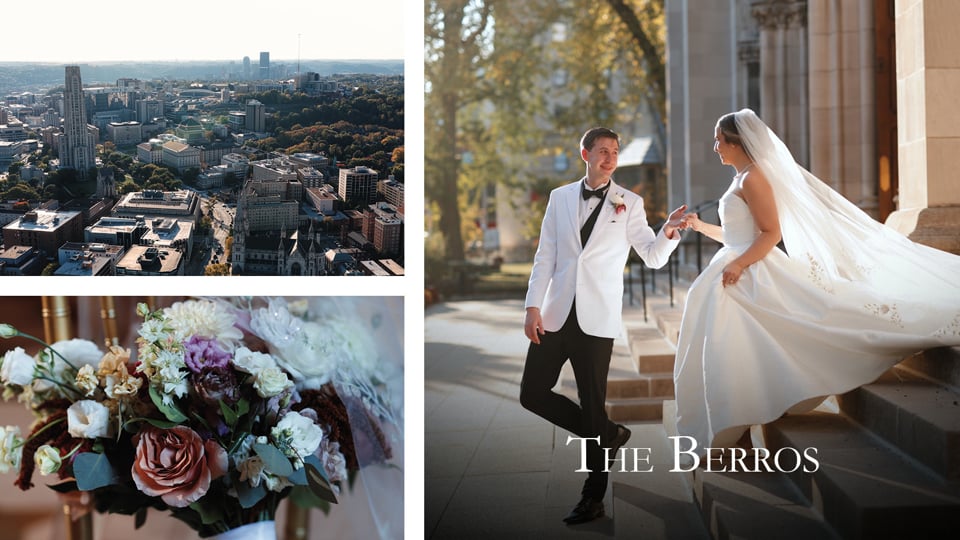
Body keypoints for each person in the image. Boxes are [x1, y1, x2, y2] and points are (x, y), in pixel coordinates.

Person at [674, 108, 960, 452]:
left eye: (719, 139)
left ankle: (741, 431)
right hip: (738, 262)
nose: (715, 145)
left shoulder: (754, 179)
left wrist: (739, 267)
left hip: (752, 270)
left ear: (737, 142)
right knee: (734, 346)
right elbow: (738, 236)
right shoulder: (740, 178)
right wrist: (700, 226)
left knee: (739, 343)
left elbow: (769, 233)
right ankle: (739, 430)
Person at [520, 126, 687, 525]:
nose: (609, 157)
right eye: (602, 151)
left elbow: (652, 255)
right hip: (557, 313)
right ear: (585, 154)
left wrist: (669, 232)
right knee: (531, 393)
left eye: (614, 152)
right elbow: (546, 255)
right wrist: (532, 306)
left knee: (592, 403)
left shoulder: (629, 203)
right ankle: (609, 435)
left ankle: (593, 496)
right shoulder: (559, 198)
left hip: (597, 321)